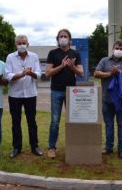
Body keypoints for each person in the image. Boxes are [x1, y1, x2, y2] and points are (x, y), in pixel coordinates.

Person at [46, 29, 83, 158]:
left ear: (70, 39)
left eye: (65, 36)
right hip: (56, 90)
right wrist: (61, 66)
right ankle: (51, 147)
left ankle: (73, 146)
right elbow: (48, 73)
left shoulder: (75, 53)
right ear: (57, 39)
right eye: (60, 36)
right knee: (55, 121)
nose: (63, 38)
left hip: (71, 91)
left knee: (73, 120)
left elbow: (81, 73)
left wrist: (72, 67)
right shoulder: (52, 53)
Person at [94, 41, 122, 159]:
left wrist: (119, 73)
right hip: (107, 99)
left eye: (121, 48)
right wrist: (110, 74)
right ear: (113, 49)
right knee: (108, 124)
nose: (119, 50)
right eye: (117, 48)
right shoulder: (104, 61)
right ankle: (108, 147)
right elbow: (96, 73)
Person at [5, 35, 43, 158]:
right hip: (15, 95)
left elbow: (39, 74)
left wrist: (30, 73)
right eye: (19, 43)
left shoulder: (34, 56)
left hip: (30, 94)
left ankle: (34, 146)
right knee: (16, 122)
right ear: (15, 44)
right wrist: (22, 74)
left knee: (32, 121)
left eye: (23, 43)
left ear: (28, 44)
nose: (21, 45)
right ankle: (16, 147)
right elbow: (8, 75)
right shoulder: (10, 57)